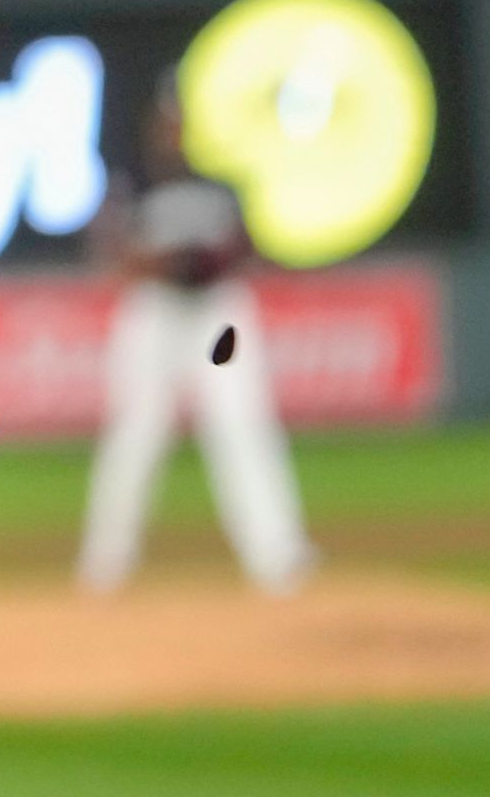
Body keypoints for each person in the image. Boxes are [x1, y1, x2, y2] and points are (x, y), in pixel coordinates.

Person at [75, 84, 313, 594]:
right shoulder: (131, 184)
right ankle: (105, 563)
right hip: (155, 313)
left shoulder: (219, 183)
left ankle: (278, 556)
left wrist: (207, 260)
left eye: (178, 123)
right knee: (135, 433)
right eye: (164, 123)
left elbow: (249, 244)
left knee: (242, 425)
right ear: (152, 130)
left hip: (216, 312)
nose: (172, 133)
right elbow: (111, 251)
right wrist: (164, 262)